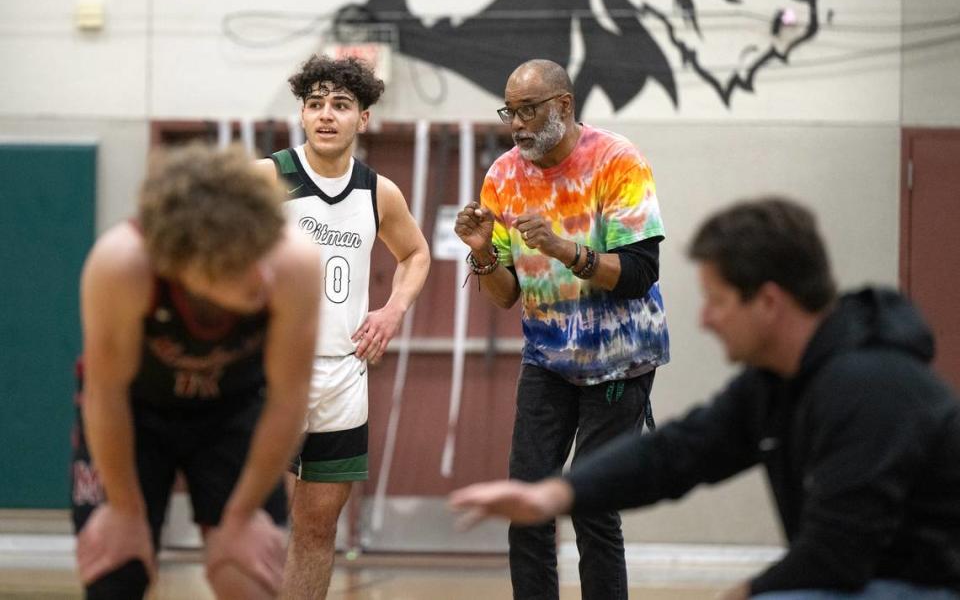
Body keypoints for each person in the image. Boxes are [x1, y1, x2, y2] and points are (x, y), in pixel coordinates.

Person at [451, 197, 960, 600]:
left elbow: (837, 557)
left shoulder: (871, 388)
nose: (705, 320)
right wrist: (553, 496)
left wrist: (738, 595)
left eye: (717, 301)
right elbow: (679, 452)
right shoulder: (781, 381)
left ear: (768, 303)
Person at [453, 58, 670, 600]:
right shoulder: (503, 175)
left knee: (593, 506)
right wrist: (482, 255)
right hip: (548, 358)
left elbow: (640, 275)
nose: (518, 124)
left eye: (529, 110)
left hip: (620, 357)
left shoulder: (617, 161)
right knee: (526, 505)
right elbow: (506, 296)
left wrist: (564, 248)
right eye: (511, 112)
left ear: (563, 105)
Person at [71, 144, 322, 599]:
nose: (260, 277)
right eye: (238, 267)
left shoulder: (294, 264)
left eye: (261, 252)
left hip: (234, 411)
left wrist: (242, 516)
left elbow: (288, 398)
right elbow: (105, 393)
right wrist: (126, 512)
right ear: (181, 266)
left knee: (245, 575)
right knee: (115, 572)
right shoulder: (121, 265)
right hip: (134, 413)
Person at [254, 54, 430, 599]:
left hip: (342, 376)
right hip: (273, 374)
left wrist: (392, 309)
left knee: (317, 528)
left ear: (364, 119)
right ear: (302, 115)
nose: (326, 114)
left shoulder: (379, 192)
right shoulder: (266, 177)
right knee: (260, 526)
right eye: (315, 104)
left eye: (340, 105)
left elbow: (417, 254)